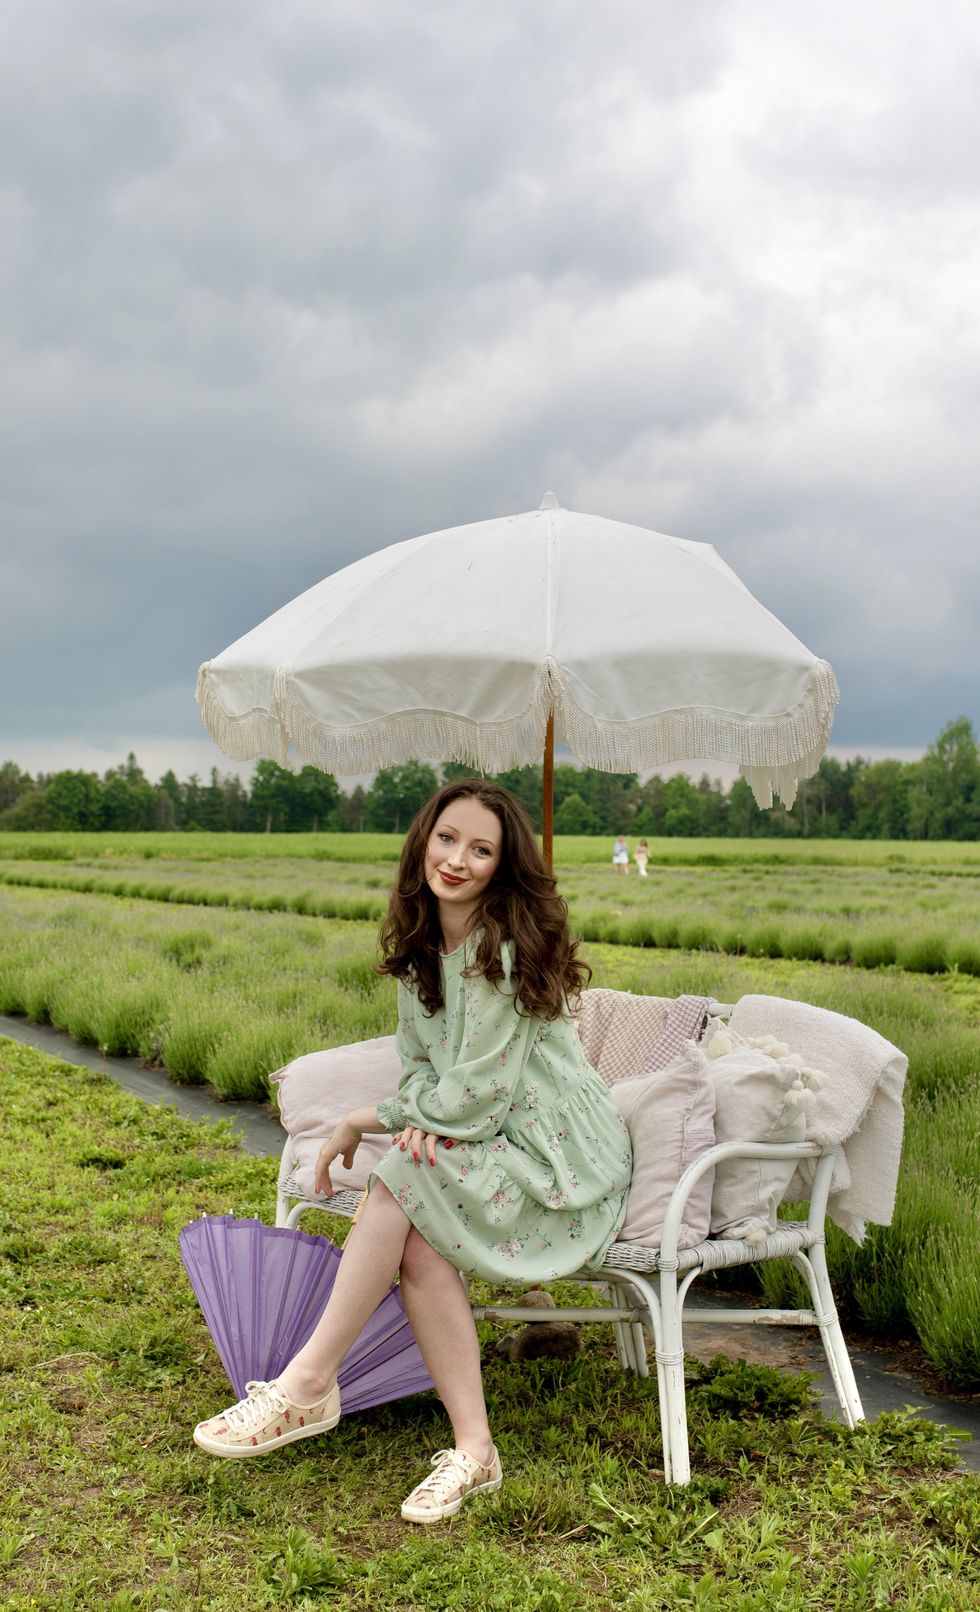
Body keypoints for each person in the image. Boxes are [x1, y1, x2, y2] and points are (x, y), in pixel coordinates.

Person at [192, 779, 632, 1524]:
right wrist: (422, 1119)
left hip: (560, 1163)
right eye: (447, 838)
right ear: (423, 840)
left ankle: (306, 1387)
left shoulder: (499, 951)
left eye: (481, 849)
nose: (457, 859)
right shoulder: (427, 951)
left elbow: (475, 1098)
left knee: (398, 1175)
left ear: (502, 866)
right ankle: (475, 1450)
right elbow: (429, 1076)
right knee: (417, 1219)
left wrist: (361, 1120)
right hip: (494, 1141)